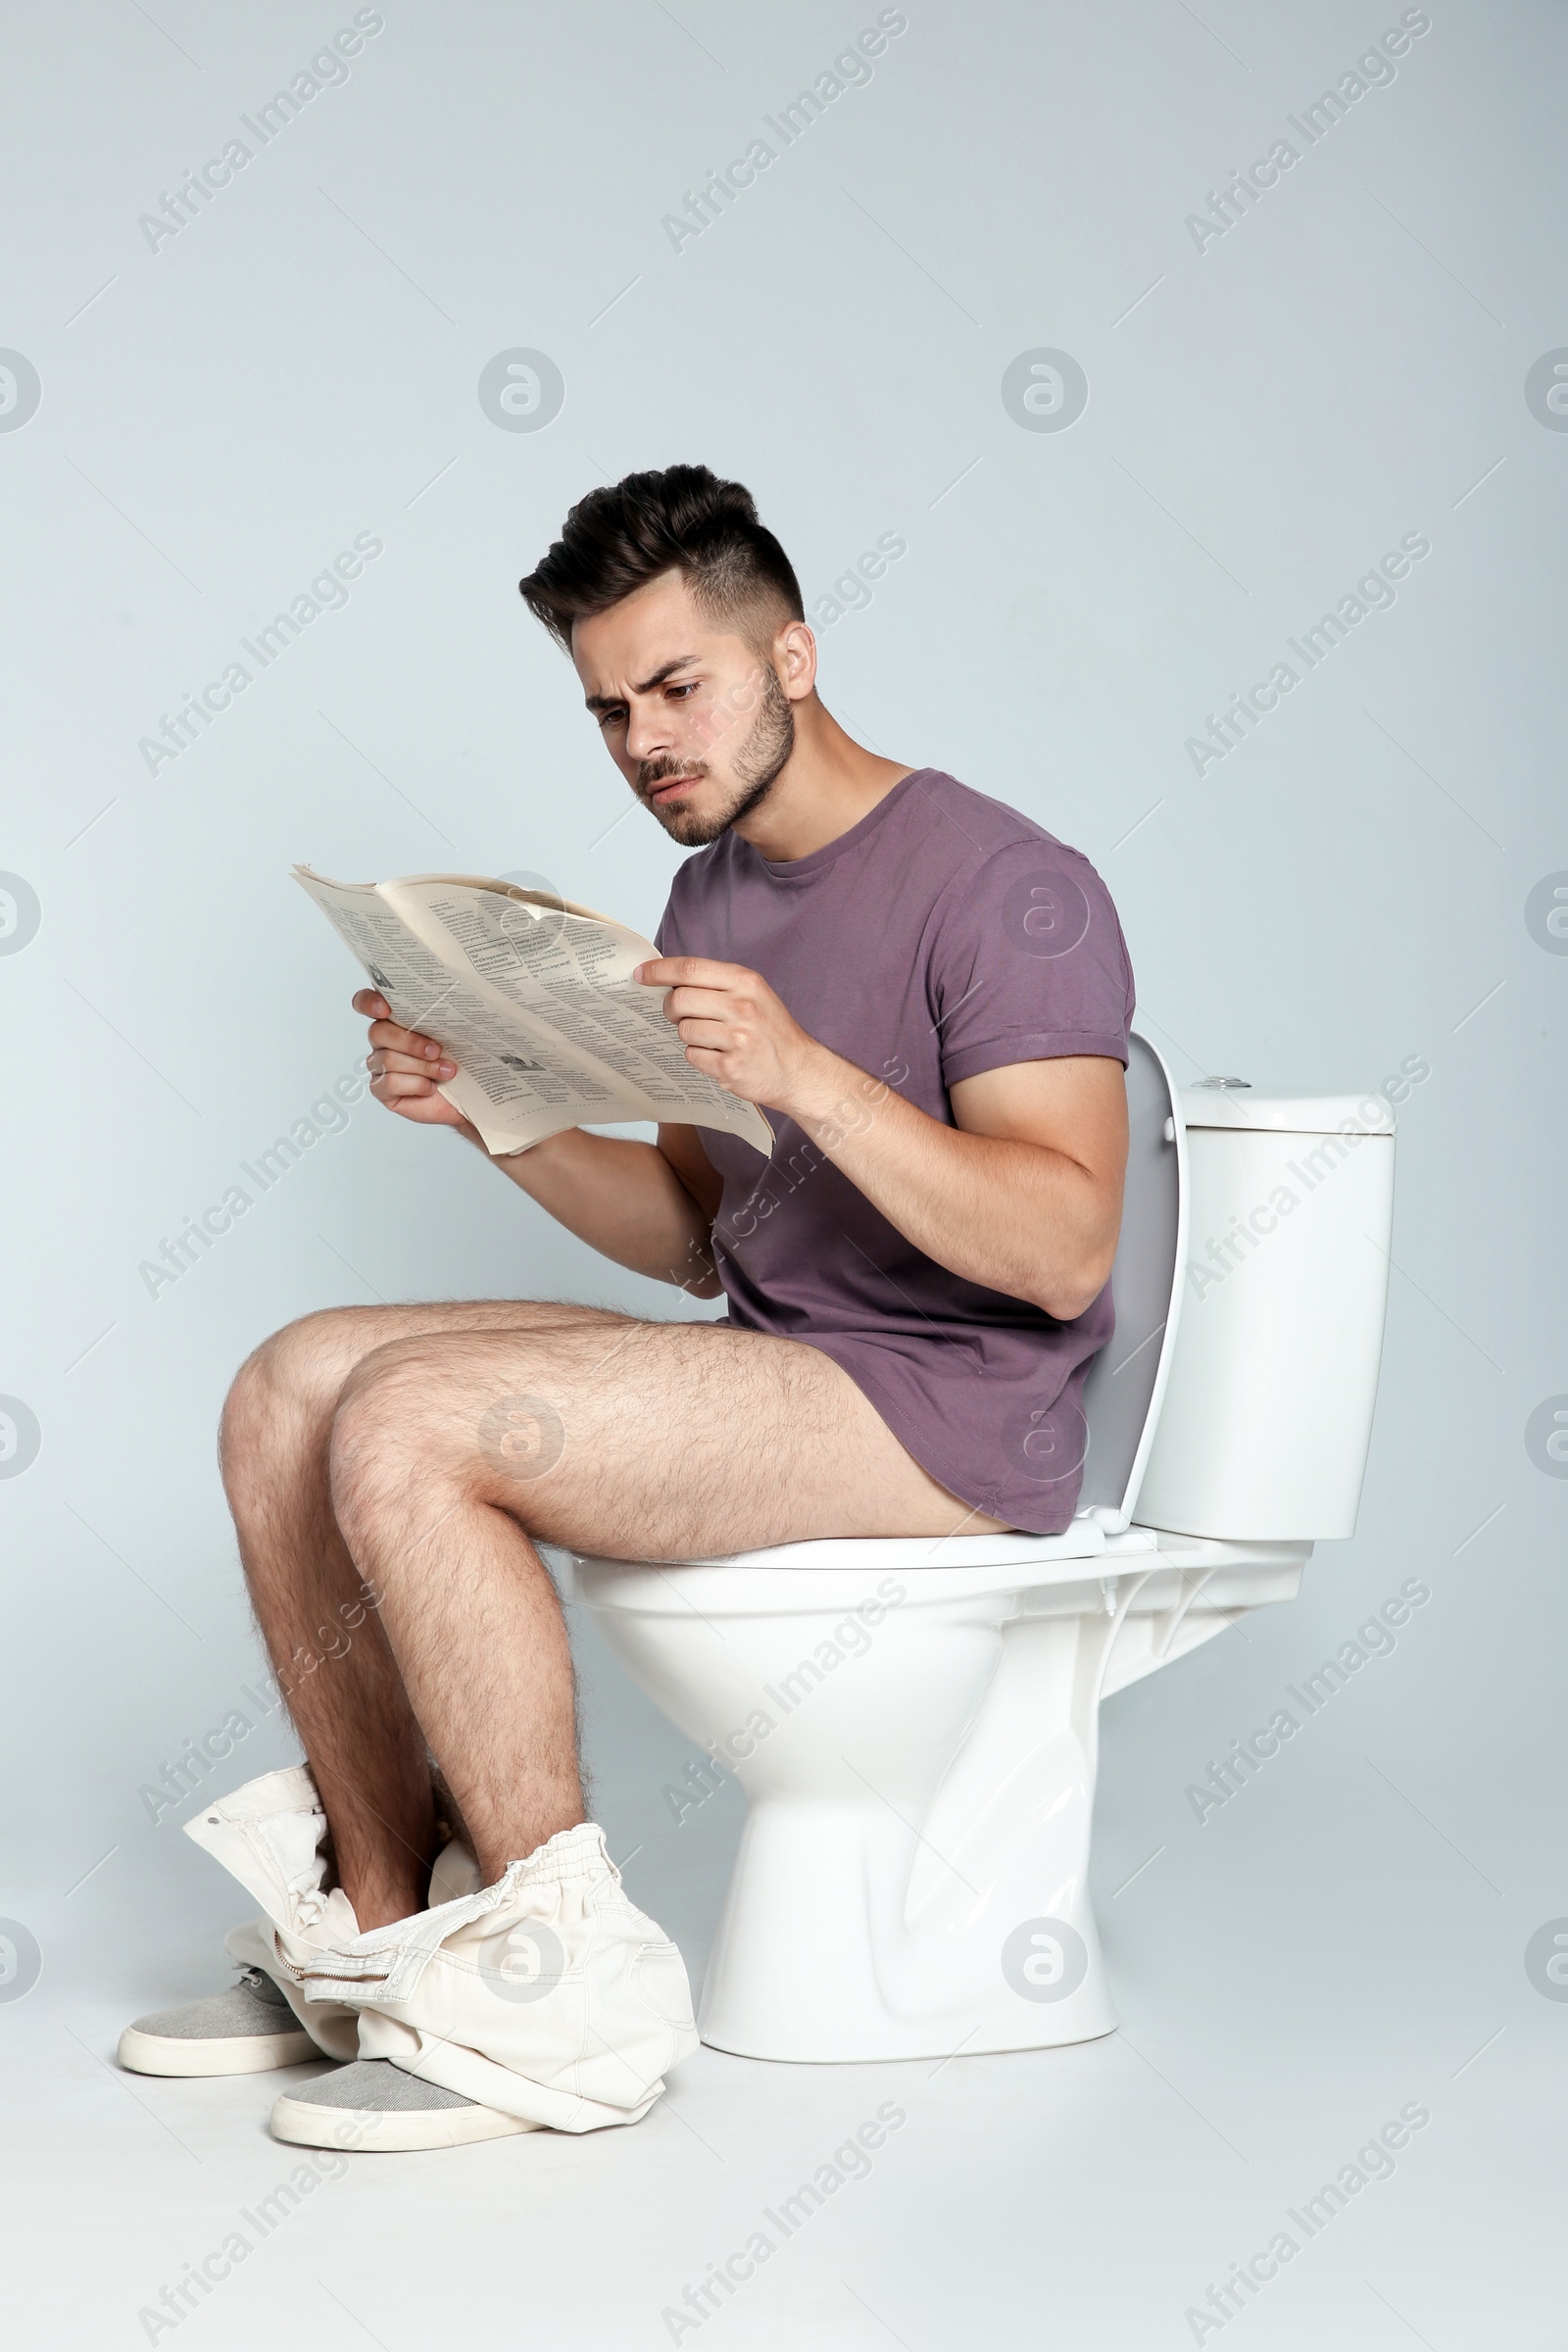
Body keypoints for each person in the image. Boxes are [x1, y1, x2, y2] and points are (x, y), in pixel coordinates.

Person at [118, 465, 1134, 2151]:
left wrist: (808, 1072)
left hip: (954, 1407)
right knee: (291, 1384)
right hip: (787, 1362)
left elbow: (1066, 1249)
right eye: (609, 710)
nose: (647, 740)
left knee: (415, 1424)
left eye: (681, 688)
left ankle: (553, 2000)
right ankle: (380, 1938)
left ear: (791, 656)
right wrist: (494, 1112)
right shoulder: (708, 896)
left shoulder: (1011, 884)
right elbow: (690, 1238)